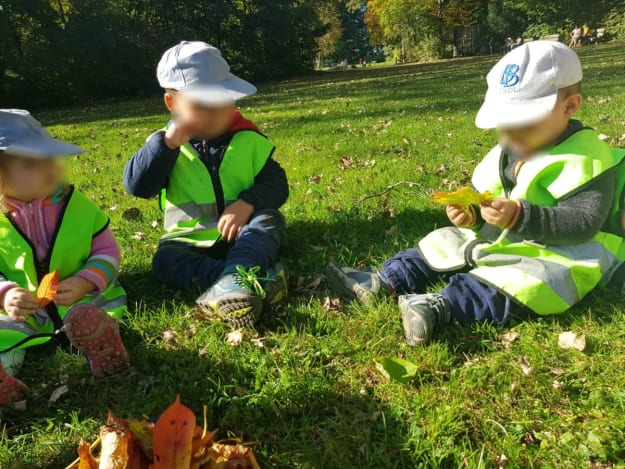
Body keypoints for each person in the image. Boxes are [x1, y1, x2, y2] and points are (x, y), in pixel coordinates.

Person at [326, 41, 625, 346]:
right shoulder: (513, 148)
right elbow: (491, 208)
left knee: (530, 281)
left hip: (559, 250)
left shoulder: (585, 158)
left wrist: (519, 216)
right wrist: (473, 219)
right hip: (504, 235)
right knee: (444, 241)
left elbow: (584, 221)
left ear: (569, 106)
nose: (508, 136)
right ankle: (385, 280)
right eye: (502, 126)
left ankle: (444, 306)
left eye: (523, 124)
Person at [124, 41, 288, 328]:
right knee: (164, 262)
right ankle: (240, 281)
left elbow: (277, 183)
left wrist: (247, 203)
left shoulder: (248, 139)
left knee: (270, 220)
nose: (214, 114)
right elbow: (138, 187)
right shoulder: (164, 146)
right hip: (189, 241)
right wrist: (167, 146)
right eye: (201, 105)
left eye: (222, 102)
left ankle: (235, 278)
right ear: (172, 103)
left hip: (243, 233)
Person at [0, 110, 129, 404]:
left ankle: (103, 349)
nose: (48, 167)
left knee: (86, 319)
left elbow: (107, 251)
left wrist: (85, 281)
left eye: (48, 158)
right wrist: (6, 294)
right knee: (4, 333)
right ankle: (5, 375)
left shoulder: (75, 204)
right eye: (31, 162)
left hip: (80, 298)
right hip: (23, 309)